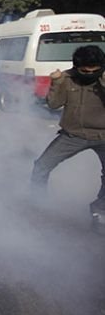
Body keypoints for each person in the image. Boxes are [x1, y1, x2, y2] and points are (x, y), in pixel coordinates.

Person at [31, 46, 105, 212]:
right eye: (84, 71)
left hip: (103, 135)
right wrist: (56, 82)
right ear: (76, 67)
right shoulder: (66, 78)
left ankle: (100, 209)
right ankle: (37, 204)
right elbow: (53, 104)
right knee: (41, 166)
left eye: (94, 71)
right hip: (73, 135)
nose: (89, 74)